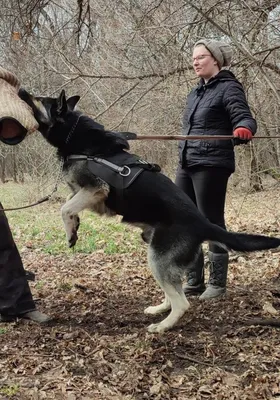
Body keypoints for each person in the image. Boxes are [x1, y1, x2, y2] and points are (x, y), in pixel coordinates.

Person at [176, 39, 257, 300]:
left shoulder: (229, 87)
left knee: (211, 221)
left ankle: (217, 284)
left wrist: (244, 129)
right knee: (184, 221)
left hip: (211, 164)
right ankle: (194, 280)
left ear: (216, 60)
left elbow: (243, 116)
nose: (195, 62)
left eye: (200, 57)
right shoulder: (195, 92)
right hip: (187, 163)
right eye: (194, 58)